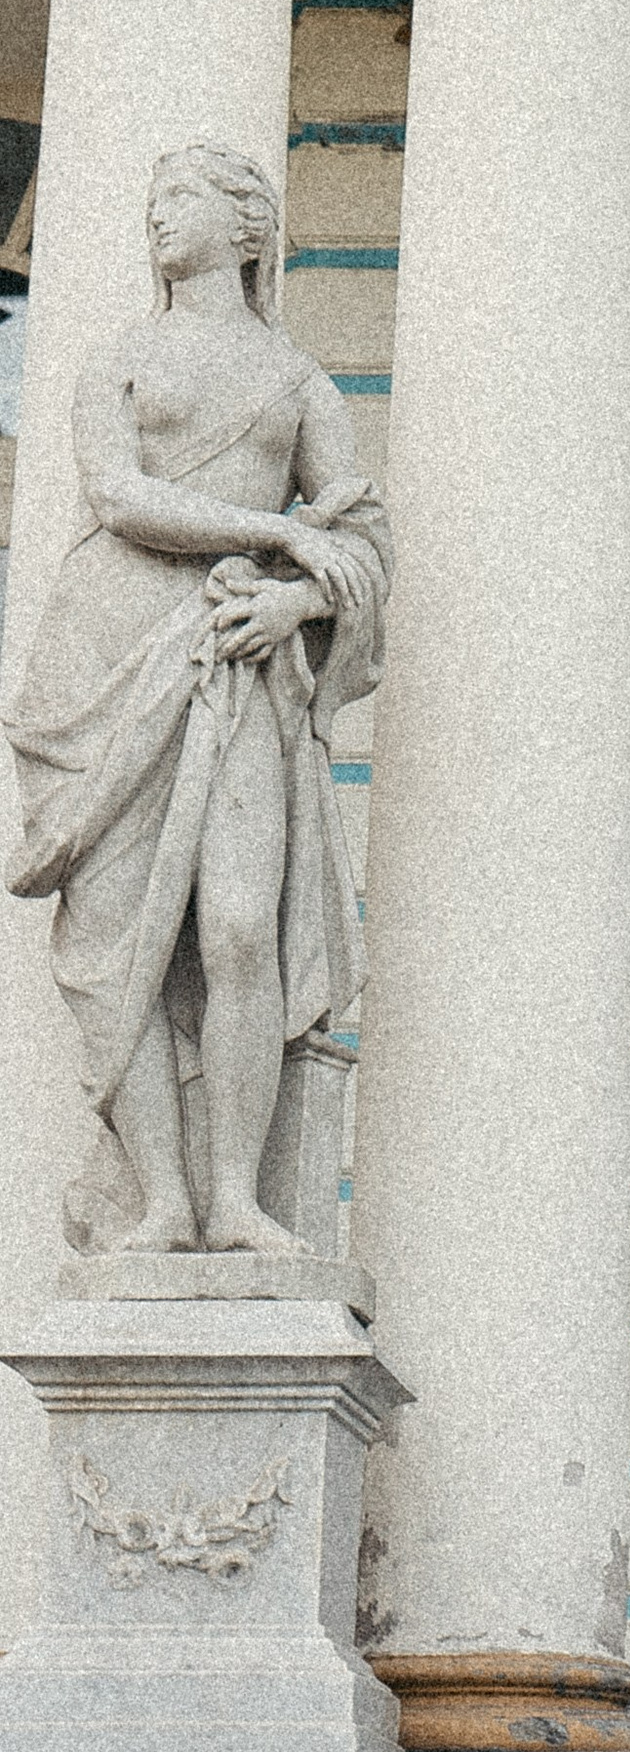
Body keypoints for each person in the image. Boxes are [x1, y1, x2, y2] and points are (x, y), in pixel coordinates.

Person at [5, 142, 389, 1257]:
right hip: (110, 656)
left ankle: (236, 1198)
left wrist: (293, 608)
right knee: (124, 947)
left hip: (239, 664)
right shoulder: (114, 362)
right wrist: (276, 535)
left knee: (236, 927)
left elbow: (362, 534)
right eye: (155, 202)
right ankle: (163, 1201)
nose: (160, 219)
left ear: (251, 230)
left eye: (184, 200)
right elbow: (119, 496)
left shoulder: (298, 380)